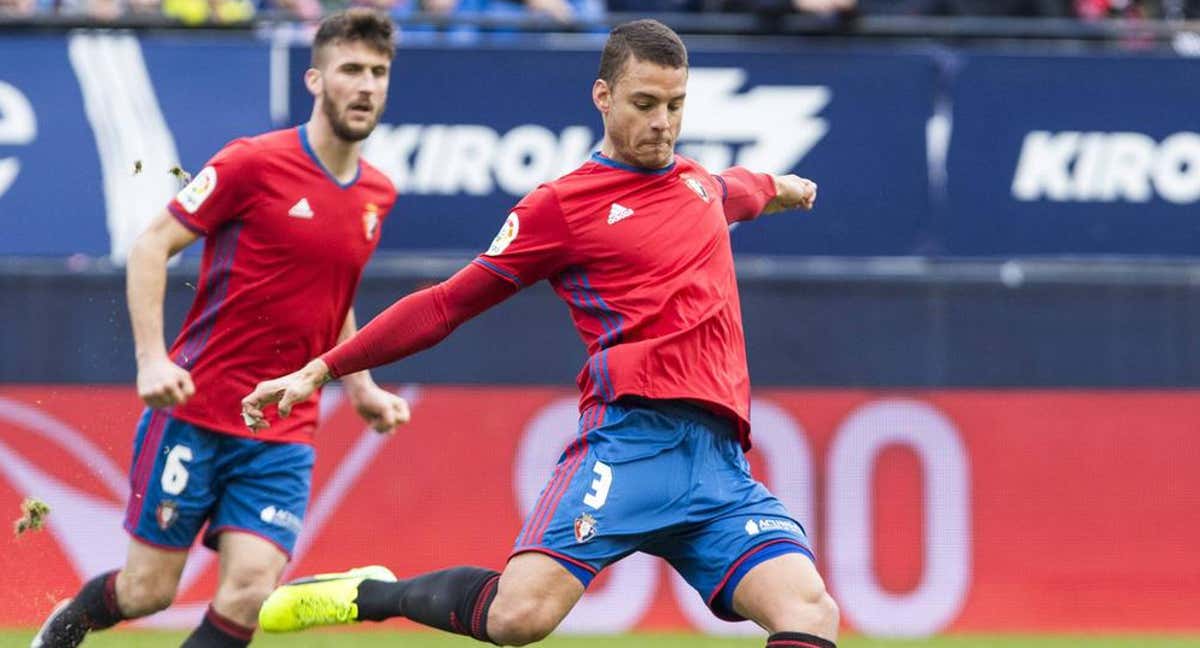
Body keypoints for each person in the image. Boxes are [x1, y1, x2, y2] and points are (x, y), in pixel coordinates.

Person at [243, 18, 839, 648]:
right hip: (631, 444)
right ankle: (370, 593)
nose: (662, 123)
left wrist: (788, 188)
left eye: (675, 105)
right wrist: (322, 369)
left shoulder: (700, 184)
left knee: (810, 612)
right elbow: (447, 304)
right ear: (603, 97)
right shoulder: (561, 207)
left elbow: (749, 189)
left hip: (718, 465)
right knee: (516, 619)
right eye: (644, 104)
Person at [31, 8, 409, 648]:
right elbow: (152, 247)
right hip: (198, 410)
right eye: (351, 69)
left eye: (378, 72)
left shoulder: (378, 192)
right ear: (316, 80)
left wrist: (363, 386)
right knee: (149, 591)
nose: (366, 85)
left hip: (285, 423)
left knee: (251, 592)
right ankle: (63, 629)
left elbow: (332, 296)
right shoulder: (252, 163)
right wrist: (152, 360)